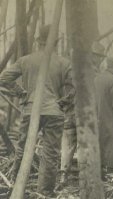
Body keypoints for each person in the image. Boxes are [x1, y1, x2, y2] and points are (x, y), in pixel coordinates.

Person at [0, 25, 73, 196]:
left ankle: (15, 187)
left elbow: (3, 79)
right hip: (54, 112)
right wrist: (63, 103)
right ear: (56, 42)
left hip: (31, 109)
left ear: (37, 41)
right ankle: (44, 192)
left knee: (23, 149)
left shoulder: (26, 60)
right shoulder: (64, 63)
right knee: (51, 153)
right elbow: (75, 89)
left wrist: (21, 93)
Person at [59, 41, 106, 186]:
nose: (98, 59)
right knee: (81, 146)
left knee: (67, 146)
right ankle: (82, 179)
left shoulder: (73, 70)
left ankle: (63, 178)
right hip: (84, 115)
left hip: (69, 113)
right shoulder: (95, 74)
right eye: (97, 56)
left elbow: (65, 91)